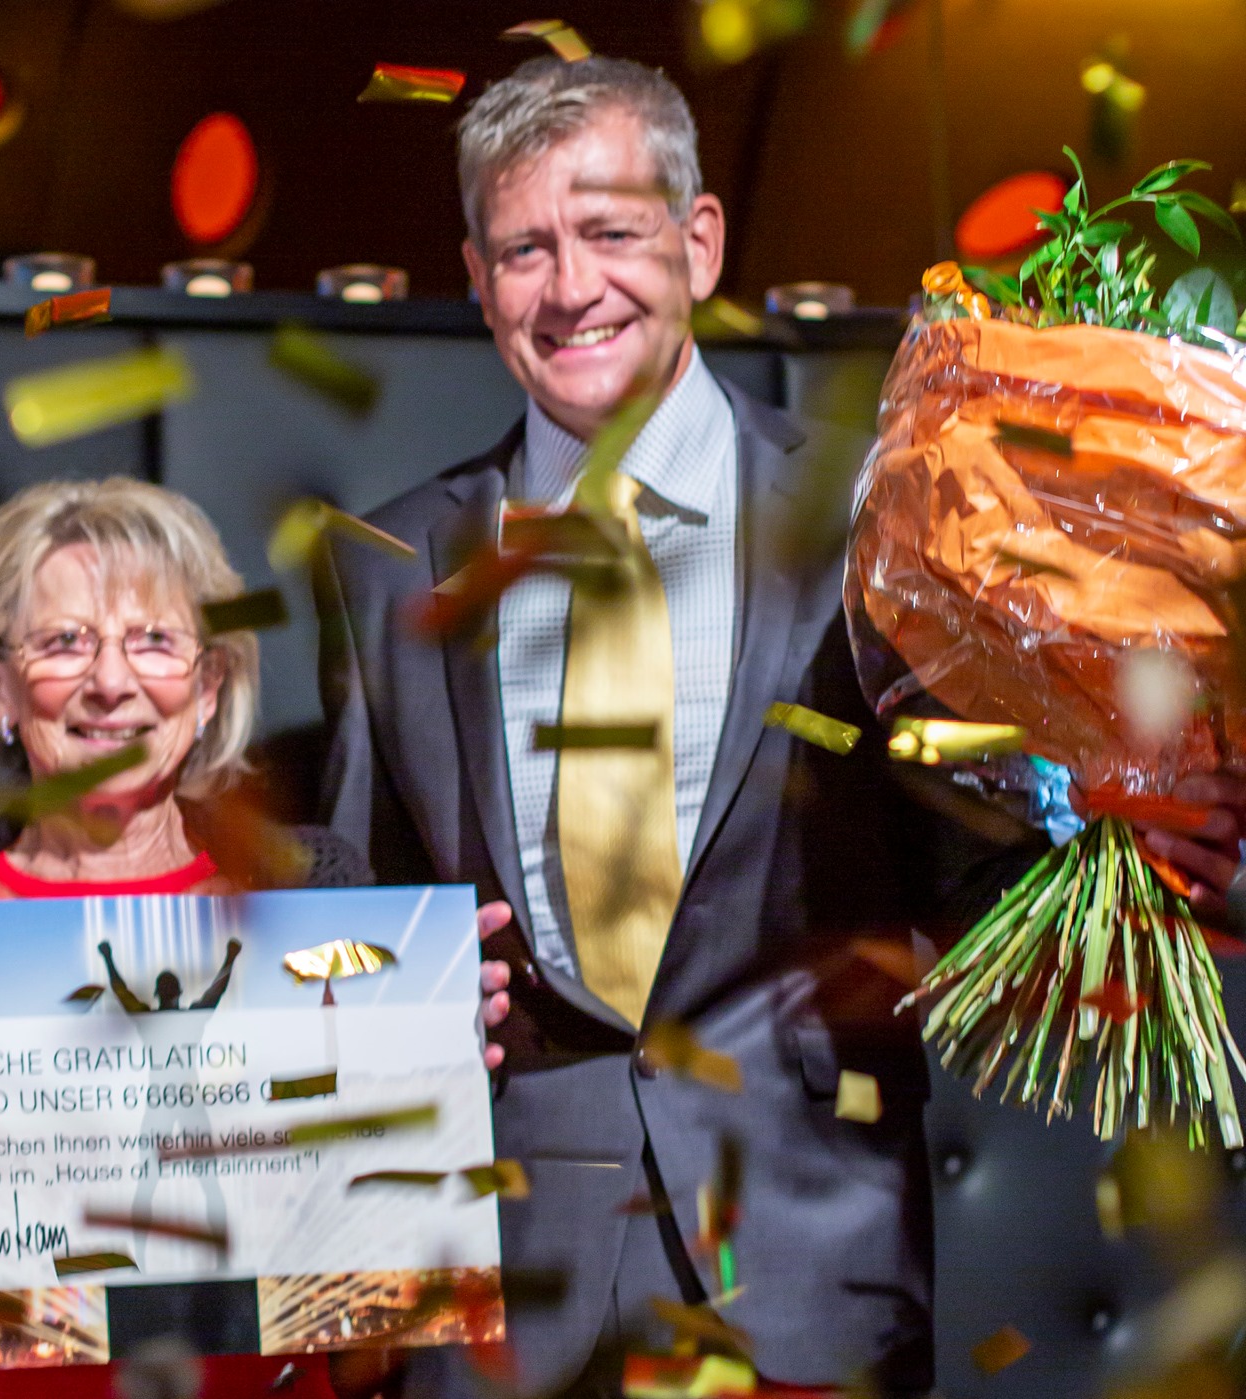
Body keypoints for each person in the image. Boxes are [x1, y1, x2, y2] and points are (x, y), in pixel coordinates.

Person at [316, 55, 1020, 1396]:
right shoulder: (386, 565)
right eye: (523, 249)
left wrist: (1146, 813)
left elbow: (986, 857)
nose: (569, 286)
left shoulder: (879, 513)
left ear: (698, 243)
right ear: (475, 279)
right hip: (497, 1285)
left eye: (610, 232)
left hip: (803, 1265)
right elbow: (355, 918)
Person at [0, 478, 513, 1399]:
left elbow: (379, 1319)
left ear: (209, 686)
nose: (111, 682)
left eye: (154, 641)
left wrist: (431, 1088)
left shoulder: (313, 894)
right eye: (65, 641)